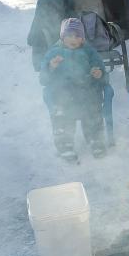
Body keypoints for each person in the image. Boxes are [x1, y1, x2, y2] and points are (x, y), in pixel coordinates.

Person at [40, 18, 107, 162]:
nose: (73, 39)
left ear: (82, 39)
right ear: (62, 37)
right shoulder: (54, 53)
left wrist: (98, 73)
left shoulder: (89, 52)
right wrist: (51, 67)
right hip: (62, 92)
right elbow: (43, 79)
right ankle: (65, 146)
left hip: (86, 90)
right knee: (62, 113)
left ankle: (95, 141)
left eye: (77, 36)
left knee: (92, 110)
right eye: (69, 35)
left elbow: (100, 68)